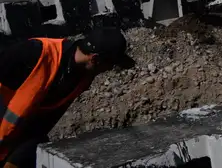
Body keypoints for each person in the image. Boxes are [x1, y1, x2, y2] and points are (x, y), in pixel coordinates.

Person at [0, 28, 135, 167]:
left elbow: (46, 120)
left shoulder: (82, 78)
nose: (109, 69)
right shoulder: (34, 52)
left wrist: (16, 158)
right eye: (110, 64)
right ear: (95, 59)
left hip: (17, 138)